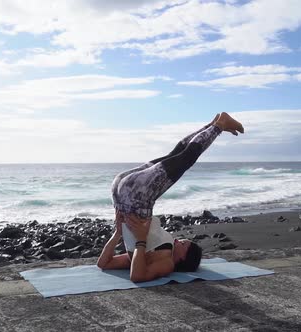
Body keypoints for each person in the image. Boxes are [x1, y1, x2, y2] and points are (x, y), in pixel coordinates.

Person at [97, 112, 244, 282]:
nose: (180, 240)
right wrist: (135, 239)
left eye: (184, 244)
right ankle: (213, 125)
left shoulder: (166, 263)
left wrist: (120, 234)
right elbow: (118, 265)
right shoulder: (151, 254)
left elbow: (113, 267)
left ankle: (218, 126)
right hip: (127, 191)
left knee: (185, 158)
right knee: (177, 154)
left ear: (182, 258)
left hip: (133, 194)